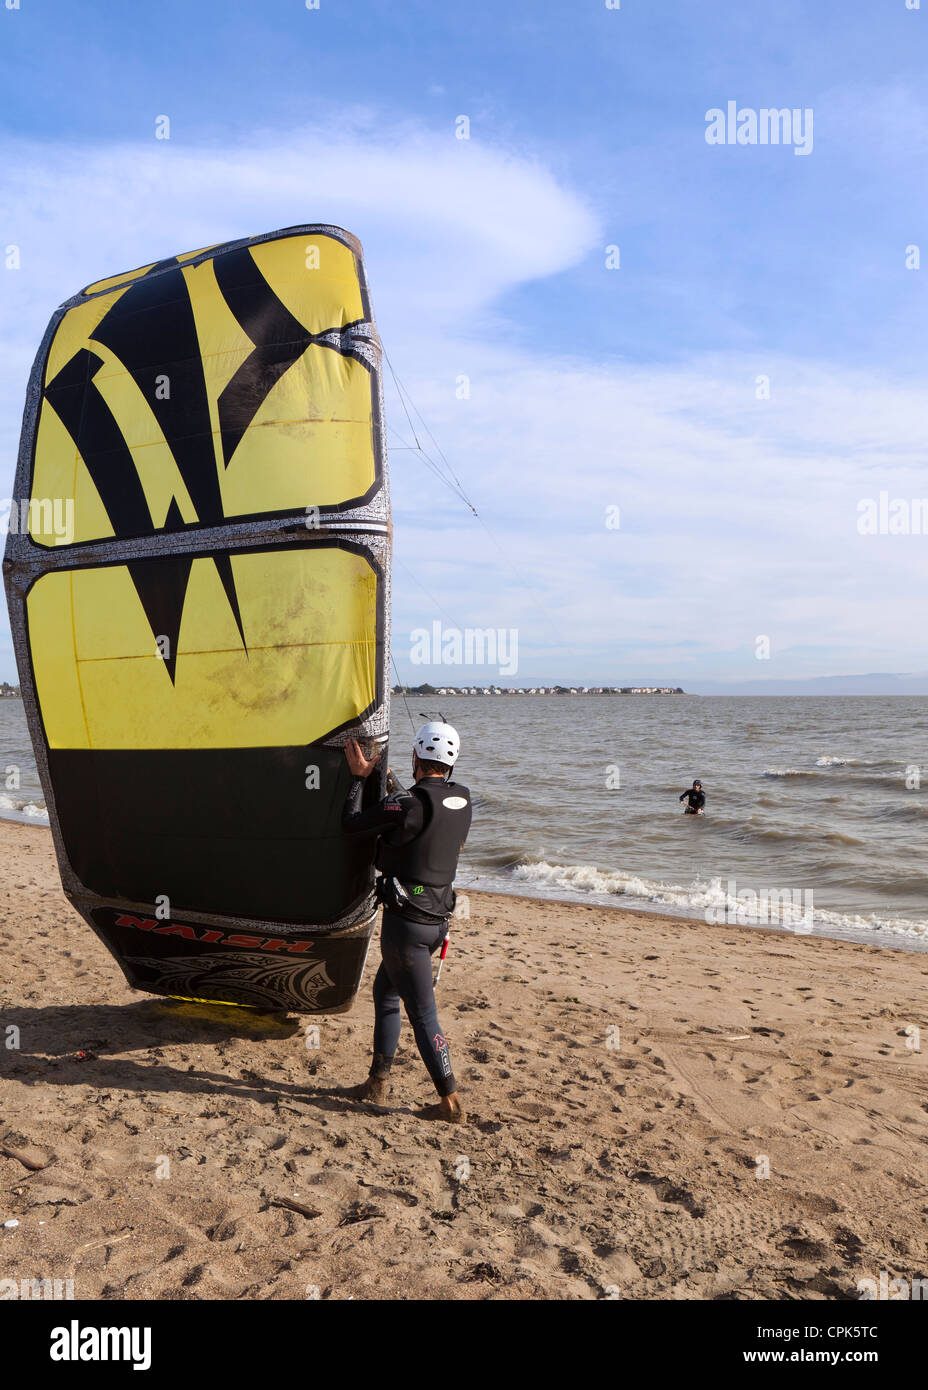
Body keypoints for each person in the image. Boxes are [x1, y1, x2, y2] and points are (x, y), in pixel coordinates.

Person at [341, 720, 472, 1123]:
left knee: (424, 1014)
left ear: (416, 755)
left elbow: (352, 824)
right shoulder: (463, 799)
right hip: (436, 924)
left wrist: (360, 780)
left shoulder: (409, 806)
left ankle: (451, 1103)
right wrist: (383, 774)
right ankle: (376, 1083)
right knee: (385, 993)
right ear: (450, 764)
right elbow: (412, 806)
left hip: (406, 931)